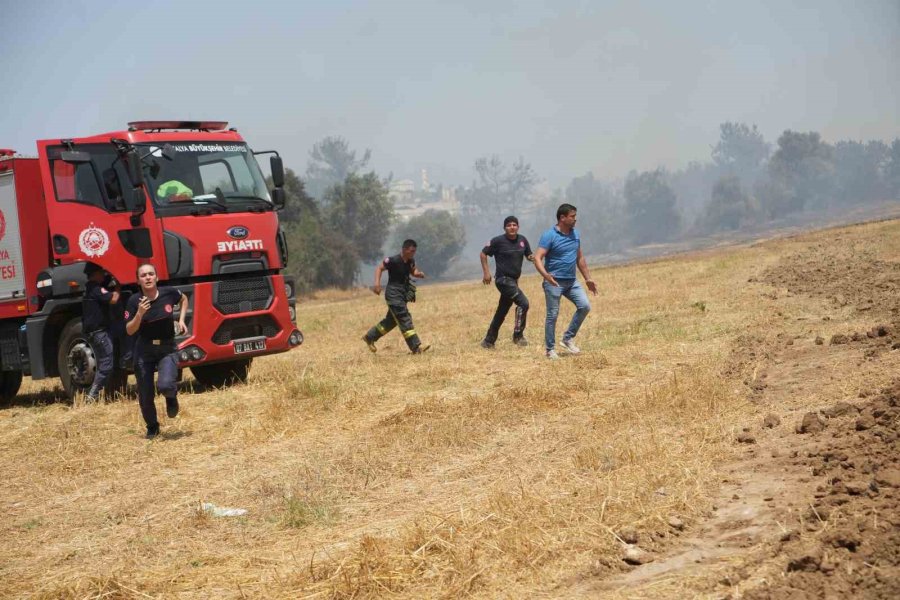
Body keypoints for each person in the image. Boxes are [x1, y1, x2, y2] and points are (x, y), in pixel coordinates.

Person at [125, 263, 188, 438]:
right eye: (143, 275)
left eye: (151, 274)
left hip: (166, 347)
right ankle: (152, 427)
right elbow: (129, 330)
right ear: (138, 281)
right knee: (145, 394)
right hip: (144, 348)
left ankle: (171, 397)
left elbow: (183, 299)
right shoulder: (134, 301)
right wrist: (139, 313)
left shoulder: (169, 293)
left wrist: (181, 320)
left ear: (157, 277)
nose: (148, 277)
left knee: (165, 385)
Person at [533, 203, 598, 359]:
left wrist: (588, 278)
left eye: (575, 216)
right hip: (554, 282)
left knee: (584, 306)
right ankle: (550, 350)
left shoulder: (575, 234)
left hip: (571, 281)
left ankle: (568, 338)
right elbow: (537, 257)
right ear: (562, 218)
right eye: (572, 216)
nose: (575, 219)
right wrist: (546, 276)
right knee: (553, 314)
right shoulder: (549, 235)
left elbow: (579, 258)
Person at [362, 239, 430, 354]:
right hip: (393, 294)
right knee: (404, 317)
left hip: (402, 294)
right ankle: (416, 348)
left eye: (414, 251)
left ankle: (369, 337)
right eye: (411, 251)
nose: (413, 253)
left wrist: (418, 274)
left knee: (391, 321)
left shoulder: (411, 261)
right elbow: (379, 268)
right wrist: (377, 284)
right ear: (404, 249)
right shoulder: (393, 260)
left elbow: (413, 271)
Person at [479, 215, 534, 348]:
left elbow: (529, 255)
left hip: (514, 281)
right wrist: (486, 273)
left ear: (518, 227)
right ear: (504, 228)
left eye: (514, 225)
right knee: (523, 303)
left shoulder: (522, 240)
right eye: (509, 225)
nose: (512, 227)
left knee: (502, 311)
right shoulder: (498, 241)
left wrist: (536, 257)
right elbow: (483, 253)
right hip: (503, 280)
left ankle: (488, 341)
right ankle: (518, 336)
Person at [82, 264, 120, 400]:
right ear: (95, 274)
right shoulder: (96, 289)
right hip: (99, 332)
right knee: (106, 363)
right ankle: (93, 395)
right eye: (101, 272)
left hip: (96, 332)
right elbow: (113, 299)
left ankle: (100, 393)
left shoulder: (90, 288)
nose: (103, 274)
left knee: (105, 362)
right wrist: (118, 286)